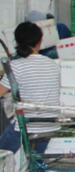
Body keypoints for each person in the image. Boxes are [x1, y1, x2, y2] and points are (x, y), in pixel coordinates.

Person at [0, 22, 59, 153]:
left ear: (17, 42)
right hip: (50, 125)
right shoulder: (53, 65)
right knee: (36, 158)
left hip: (26, 126)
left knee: (2, 153)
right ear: (40, 41)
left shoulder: (15, 66)